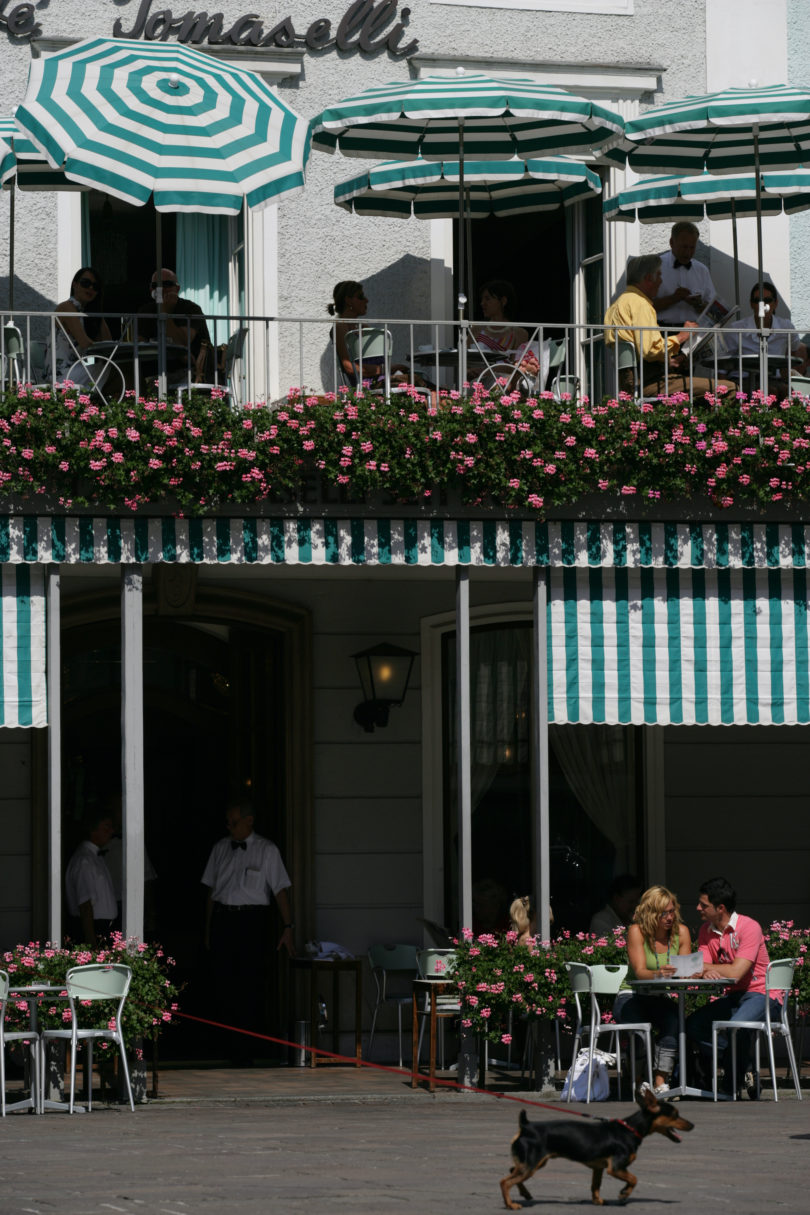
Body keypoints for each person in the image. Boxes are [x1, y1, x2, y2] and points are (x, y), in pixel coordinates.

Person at [201, 797, 294, 1062]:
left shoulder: (266, 849)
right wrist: (208, 930)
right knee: (223, 983)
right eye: (227, 822)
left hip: (251, 922)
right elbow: (210, 892)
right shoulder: (220, 847)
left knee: (250, 983)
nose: (229, 827)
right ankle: (226, 1046)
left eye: (234, 822)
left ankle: (249, 1049)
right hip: (223, 919)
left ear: (249, 821)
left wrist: (288, 926)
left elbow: (280, 890)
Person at [686, 875, 780, 1097]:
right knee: (693, 1025)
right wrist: (705, 969)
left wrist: (707, 968)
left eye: (704, 905)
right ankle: (745, 1065)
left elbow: (736, 973)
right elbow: (699, 967)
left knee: (736, 1025)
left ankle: (731, 1085)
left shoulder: (749, 927)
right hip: (735, 997)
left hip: (762, 994)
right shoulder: (705, 931)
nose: (698, 908)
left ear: (720, 908)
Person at [604, 254, 735, 402]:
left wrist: (670, 361)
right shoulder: (640, 304)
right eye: (659, 276)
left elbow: (639, 351)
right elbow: (650, 350)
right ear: (648, 278)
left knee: (700, 396)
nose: (661, 281)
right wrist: (681, 336)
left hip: (633, 381)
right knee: (729, 388)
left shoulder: (617, 305)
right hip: (650, 382)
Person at [615, 884, 693, 1092]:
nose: (670, 917)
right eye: (664, 913)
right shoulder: (636, 931)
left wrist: (690, 972)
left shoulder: (681, 933)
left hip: (659, 996)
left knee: (674, 1021)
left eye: (672, 911)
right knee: (639, 1029)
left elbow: (685, 968)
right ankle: (639, 1081)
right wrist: (661, 973)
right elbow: (640, 971)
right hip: (632, 995)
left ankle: (660, 1082)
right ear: (651, 913)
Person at [327, 280, 412, 389]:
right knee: (420, 385)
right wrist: (385, 369)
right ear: (348, 301)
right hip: (369, 383)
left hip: (384, 379)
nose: (366, 300)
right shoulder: (341, 327)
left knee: (422, 384)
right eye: (361, 296)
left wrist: (389, 369)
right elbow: (348, 366)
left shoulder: (362, 326)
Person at [136, 268, 212, 384]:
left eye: (167, 284)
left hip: (191, 371)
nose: (161, 289)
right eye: (156, 285)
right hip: (155, 369)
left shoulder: (190, 308)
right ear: (151, 289)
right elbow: (140, 344)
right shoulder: (145, 311)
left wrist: (165, 313)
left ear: (177, 288)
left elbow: (183, 341)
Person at [725, 281, 808, 373]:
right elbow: (723, 363)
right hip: (743, 380)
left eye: (767, 300)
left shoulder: (786, 327)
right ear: (751, 304)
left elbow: (794, 348)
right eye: (757, 301)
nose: (763, 305)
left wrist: (784, 370)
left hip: (774, 380)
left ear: (775, 303)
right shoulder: (736, 328)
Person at [64, 810, 118, 946]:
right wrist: (92, 943)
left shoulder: (93, 857)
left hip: (103, 929)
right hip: (95, 929)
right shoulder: (85, 861)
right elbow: (85, 905)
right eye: (106, 827)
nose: (112, 831)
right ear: (93, 830)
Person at [51, 267, 112, 384]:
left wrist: (97, 312)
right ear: (75, 285)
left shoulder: (85, 313)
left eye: (95, 287)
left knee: (120, 369)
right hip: (63, 374)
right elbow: (85, 343)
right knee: (116, 369)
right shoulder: (66, 307)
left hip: (79, 366)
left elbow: (107, 342)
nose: (90, 288)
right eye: (86, 283)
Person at [655, 221, 719, 326]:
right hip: (663, 331)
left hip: (694, 332)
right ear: (671, 242)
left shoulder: (702, 270)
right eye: (684, 247)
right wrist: (674, 298)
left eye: (692, 247)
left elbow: (712, 310)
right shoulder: (656, 266)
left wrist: (698, 304)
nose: (688, 253)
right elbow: (645, 306)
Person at [471, 279, 529, 356]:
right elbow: (466, 362)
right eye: (482, 299)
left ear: (503, 301)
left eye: (487, 299)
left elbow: (516, 365)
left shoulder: (519, 333)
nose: (482, 303)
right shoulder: (476, 330)